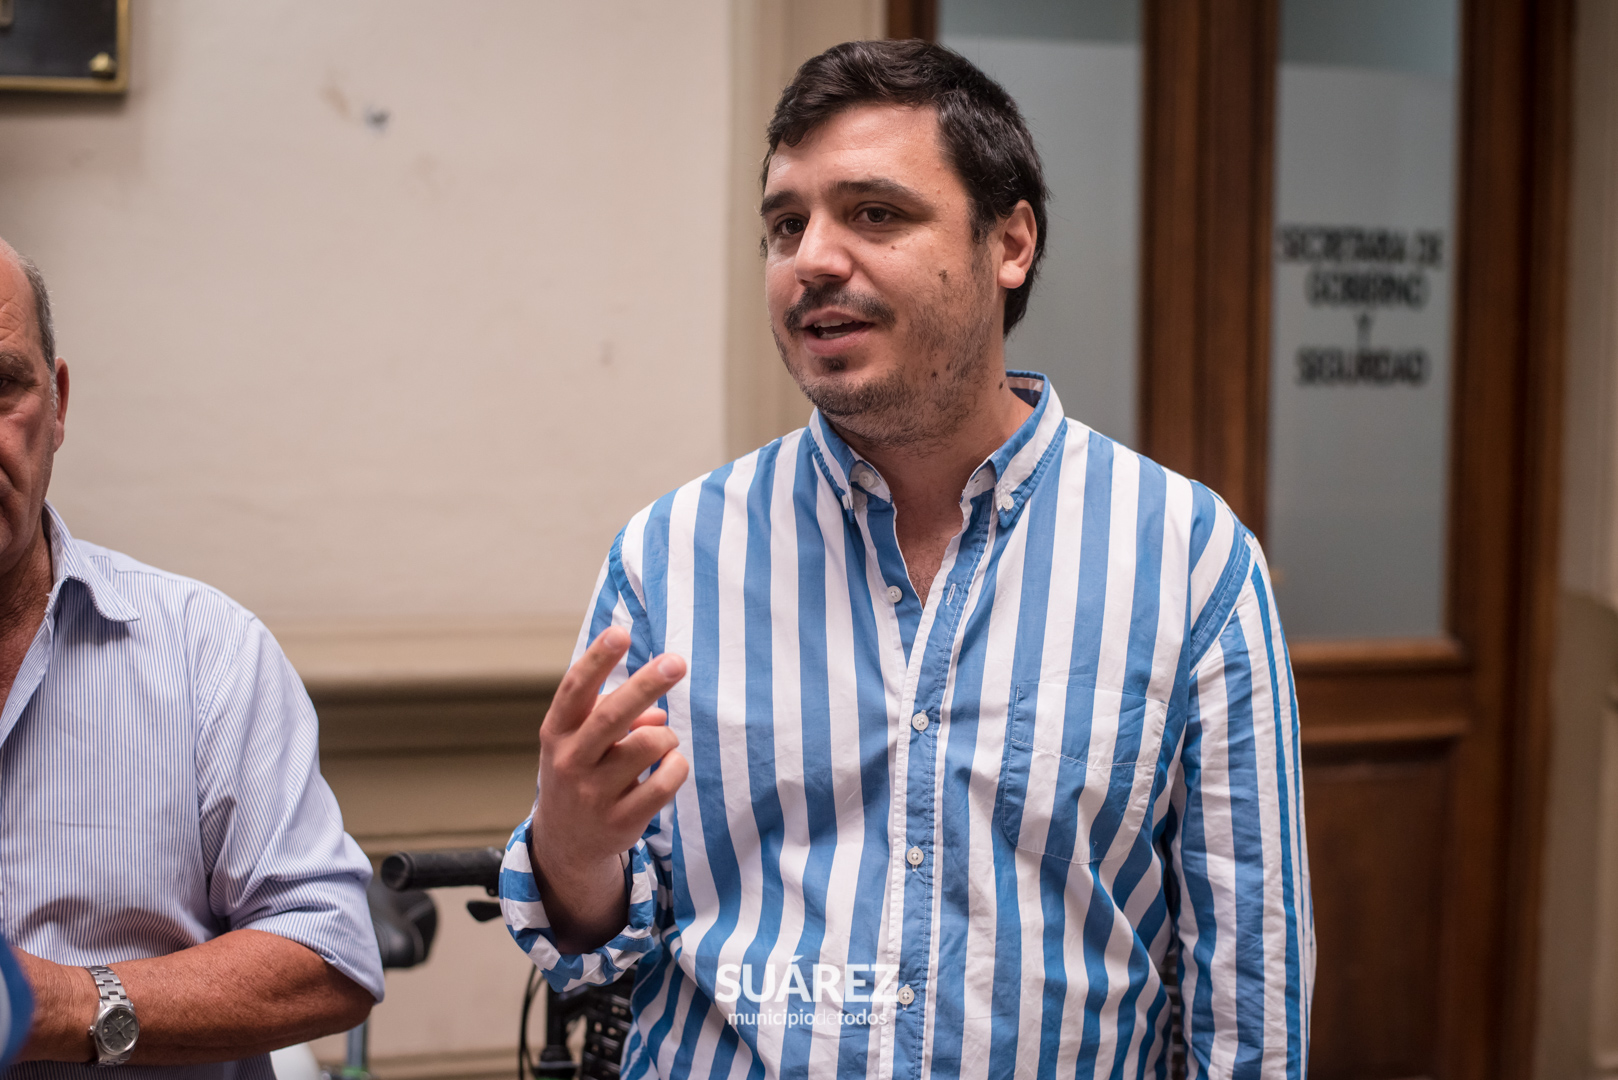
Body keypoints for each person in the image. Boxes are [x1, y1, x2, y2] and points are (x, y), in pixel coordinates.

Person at [500, 40, 1313, 1078]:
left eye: (874, 213)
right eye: (785, 225)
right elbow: (595, 955)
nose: (812, 259)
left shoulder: (1189, 559)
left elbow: (1249, 991)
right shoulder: (671, 555)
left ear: (1009, 243)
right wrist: (572, 854)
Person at [0, 238, 384, 1078]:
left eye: (1, 385)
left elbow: (331, 953)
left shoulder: (204, 654)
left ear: (56, 405)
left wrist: (65, 1005)